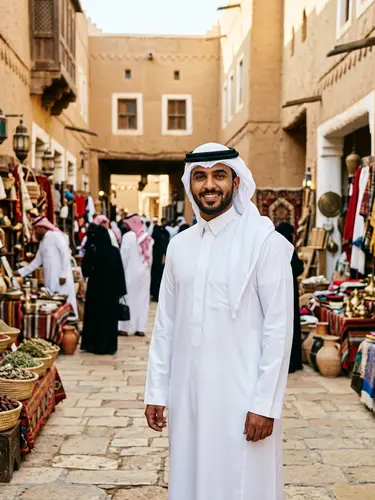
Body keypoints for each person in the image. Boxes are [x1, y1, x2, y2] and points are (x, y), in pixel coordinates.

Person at [144, 143, 294, 500]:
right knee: (189, 478)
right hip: (188, 396)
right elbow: (165, 324)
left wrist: (265, 404)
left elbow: (279, 330)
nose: (209, 185)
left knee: (243, 484)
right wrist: (157, 391)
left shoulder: (265, 243)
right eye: (200, 176)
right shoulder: (180, 245)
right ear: (190, 185)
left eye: (218, 175)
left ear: (236, 182)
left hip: (243, 400)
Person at [15, 216, 78, 315]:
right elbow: (36, 262)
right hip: (51, 280)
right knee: (54, 307)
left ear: (43, 227)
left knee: (66, 307)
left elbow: (66, 255)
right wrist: (19, 272)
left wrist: (63, 275)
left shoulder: (56, 236)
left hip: (62, 280)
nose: (35, 232)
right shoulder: (43, 241)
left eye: (36, 229)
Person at [80, 222, 126, 355]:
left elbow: (86, 270)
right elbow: (120, 272)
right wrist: (121, 290)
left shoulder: (93, 250)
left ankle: (94, 345)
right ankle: (109, 347)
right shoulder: (114, 251)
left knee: (95, 318)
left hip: (96, 291)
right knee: (109, 320)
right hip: (111, 292)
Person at [275, 222, 304, 373]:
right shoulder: (288, 248)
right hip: (290, 292)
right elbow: (298, 268)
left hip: (276, 292)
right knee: (291, 325)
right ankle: (293, 362)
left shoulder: (273, 246)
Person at [118, 214, 153, 337]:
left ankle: (125, 328)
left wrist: (120, 271)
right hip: (144, 273)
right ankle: (141, 328)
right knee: (143, 299)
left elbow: (123, 257)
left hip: (130, 272)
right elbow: (150, 259)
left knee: (128, 298)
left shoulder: (128, 237)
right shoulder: (147, 237)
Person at [150, 223, 170, 301]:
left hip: (155, 261)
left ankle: (155, 294)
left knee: (155, 278)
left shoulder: (155, 237)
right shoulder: (164, 235)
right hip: (161, 260)